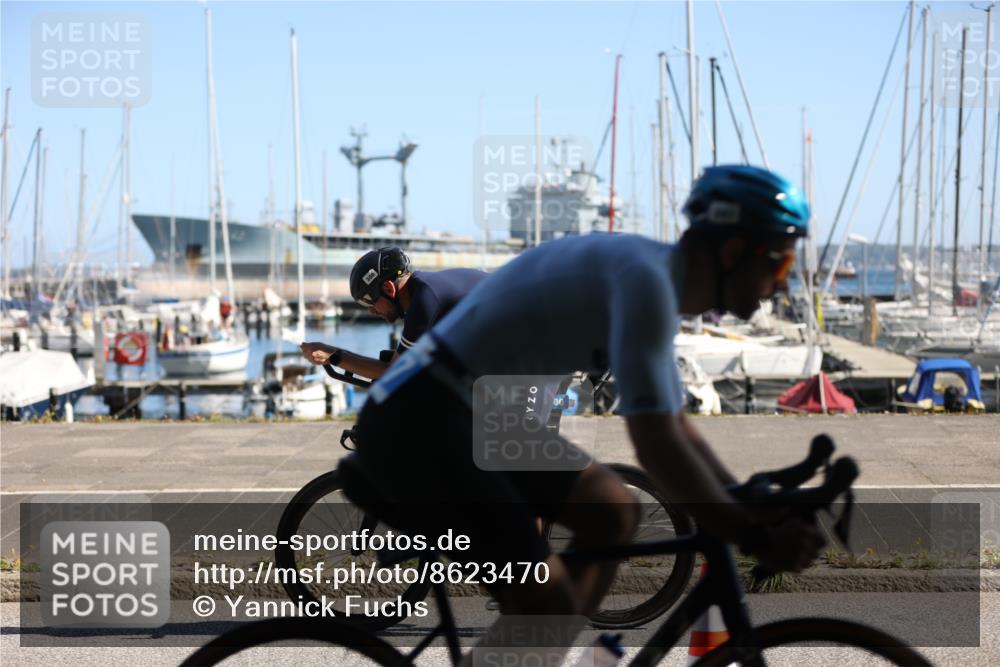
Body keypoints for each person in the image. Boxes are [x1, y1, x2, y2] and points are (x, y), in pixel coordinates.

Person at [351, 165, 825, 665]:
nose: (782, 285)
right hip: (423, 420)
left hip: (458, 412)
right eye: (781, 264)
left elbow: (677, 426)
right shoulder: (645, 283)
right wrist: (750, 533)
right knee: (547, 599)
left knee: (614, 512)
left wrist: (741, 498)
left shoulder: (652, 278)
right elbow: (658, 445)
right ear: (734, 252)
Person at [299, 247, 486, 379]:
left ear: (389, 289)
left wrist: (332, 355)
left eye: (369, 301)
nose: (371, 310)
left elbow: (392, 373)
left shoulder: (424, 301)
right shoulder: (425, 287)